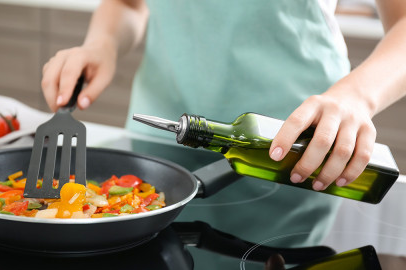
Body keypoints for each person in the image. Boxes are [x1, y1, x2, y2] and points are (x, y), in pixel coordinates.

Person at [41, 0, 406, 268]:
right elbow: (129, 4)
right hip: (157, 146)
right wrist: (102, 42)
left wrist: (356, 95)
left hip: (294, 151)